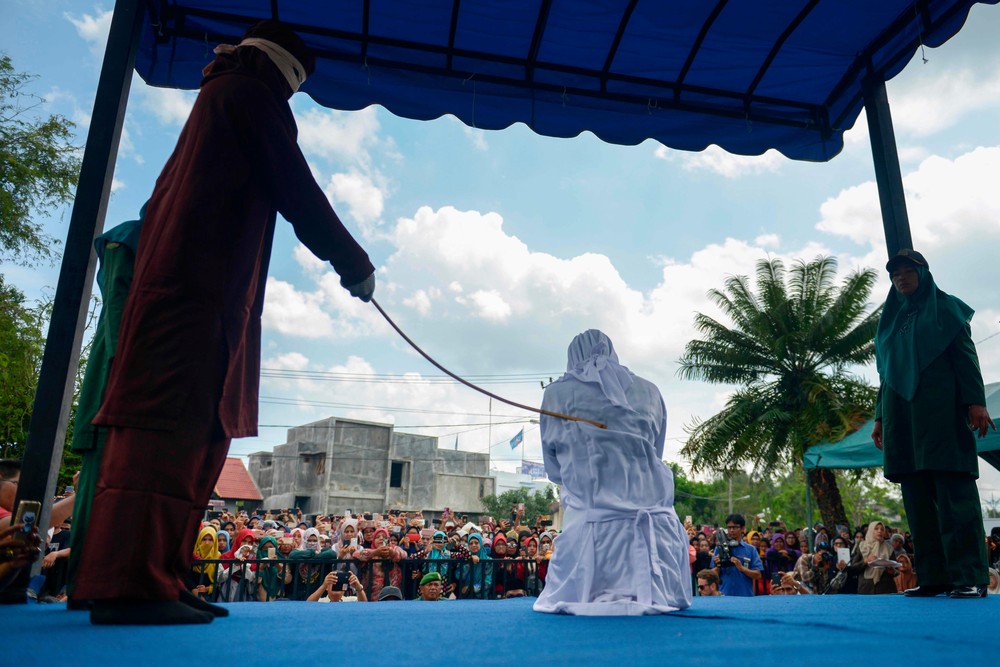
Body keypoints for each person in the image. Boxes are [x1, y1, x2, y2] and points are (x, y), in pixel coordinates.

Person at [70, 19, 376, 625]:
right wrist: (353, 262)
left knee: (197, 438)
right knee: (166, 435)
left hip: (199, 300)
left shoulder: (222, 101)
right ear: (281, 73)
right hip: (190, 302)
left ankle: (159, 575)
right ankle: (131, 586)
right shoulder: (245, 95)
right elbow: (297, 188)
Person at [532, 330, 692, 615]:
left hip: (593, 541)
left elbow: (555, 470)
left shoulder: (556, 394)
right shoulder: (651, 390)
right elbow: (655, 454)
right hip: (659, 539)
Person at [872, 249, 994, 599]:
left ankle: (970, 576)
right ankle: (935, 577)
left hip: (941, 414)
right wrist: (880, 416)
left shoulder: (947, 309)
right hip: (902, 419)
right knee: (917, 499)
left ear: (923, 273)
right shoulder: (890, 320)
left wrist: (976, 402)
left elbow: (965, 357)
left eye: (908, 271)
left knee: (955, 495)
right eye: (895, 275)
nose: (901, 278)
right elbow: (886, 375)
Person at [711, 514, 763, 597]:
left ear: (742, 529)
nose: (731, 530)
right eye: (729, 527)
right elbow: (711, 576)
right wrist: (718, 566)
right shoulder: (719, 548)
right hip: (724, 596)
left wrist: (742, 568)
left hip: (745, 596)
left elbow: (758, 575)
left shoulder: (751, 550)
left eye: (735, 527)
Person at [855, 521, 899, 595]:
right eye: (876, 529)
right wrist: (865, 561)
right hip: (866, 588)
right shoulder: (862, 546)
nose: (879, 531)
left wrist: (892, 571)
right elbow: (853, 568)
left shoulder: (889, 548)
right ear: (871, 530)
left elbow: (896, 570)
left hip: (885, 588)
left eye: (882, 529)